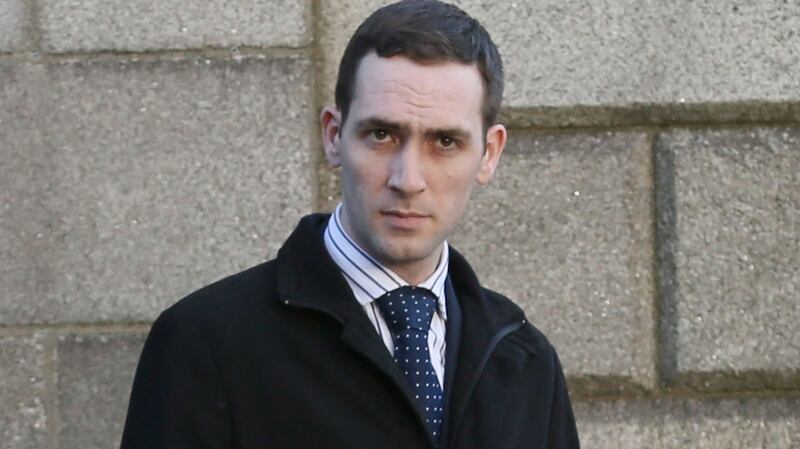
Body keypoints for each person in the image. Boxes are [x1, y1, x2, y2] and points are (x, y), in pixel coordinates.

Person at [119, 1, 580, 448]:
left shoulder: (525, 360)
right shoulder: (206, 342)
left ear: (489, 153)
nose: (408, 179)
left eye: (444, 141)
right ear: (334, 135)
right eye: (382, 135)